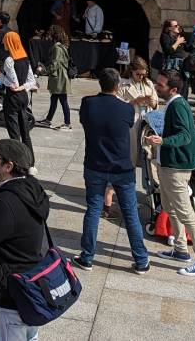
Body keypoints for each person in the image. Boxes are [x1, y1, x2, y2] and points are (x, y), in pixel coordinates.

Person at [74, 68, 150, 274]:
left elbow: (85, 122)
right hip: (122, 167)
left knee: (93, 210)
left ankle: (87, 257)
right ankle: (141, 260)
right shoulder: (125, 109)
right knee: (130, 212)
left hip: (95, 164)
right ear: (117, 86)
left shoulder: (87, 104)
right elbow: (127, 124)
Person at [148, 71, 195, 276]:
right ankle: (180, 249)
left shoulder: (177, 105)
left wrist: (163, 141)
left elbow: (185, 135)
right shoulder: (176, 103)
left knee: (185, 211)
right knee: (170, 207)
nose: (157, 87)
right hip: (168, 165)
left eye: (161, 85)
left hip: (176, 168)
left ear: (173, 89)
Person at [0, 139, 48, 341]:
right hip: (31, 287)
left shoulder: (6, 202)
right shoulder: (32, 189)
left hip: (11, 294)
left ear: (8, 166)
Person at [0, 30, 37, 153]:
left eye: (5, 40)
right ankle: (31, 163)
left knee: (14, 133)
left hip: (12, 99)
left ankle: (18, 164)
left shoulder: (9, 60)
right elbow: (32, 81)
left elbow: (13, 83)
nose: (3, 42)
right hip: (23, 97)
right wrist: (22, 87)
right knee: (25, 132)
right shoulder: (25, 58)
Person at [40, 25, 72, 129]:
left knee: (63, 100)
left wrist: (44, 71)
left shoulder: (57, 48)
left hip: (59, 77)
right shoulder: (61, 46)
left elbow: (56, 63)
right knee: (54, 99)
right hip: (60, 76)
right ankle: (48, 120)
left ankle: (67, 123)